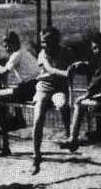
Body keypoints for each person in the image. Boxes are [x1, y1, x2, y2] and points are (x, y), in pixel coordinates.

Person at [0, 31, 41, 157]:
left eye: (8, 45)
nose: (7, 48)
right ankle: (3, 144)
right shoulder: (24, 52)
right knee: (1, 102)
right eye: (5, 46)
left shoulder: (17, 54)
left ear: (15, 43)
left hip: (30, 87)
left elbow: (3, 71)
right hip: (32, 86)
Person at [58, 33, 101, 153]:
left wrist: (86, 95)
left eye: (96, 47)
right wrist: (81, 64)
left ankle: (73, 139)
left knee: (79, 103)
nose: (93, 50)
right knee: (91, 101)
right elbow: (93, 67)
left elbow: (99, 79)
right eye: (93, 47)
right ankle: (98, 132)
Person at [31, 27, 76, 175]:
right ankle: (36, 156)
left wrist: (75, 68)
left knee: (63, 105)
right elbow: (49, 69)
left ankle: (70, 137)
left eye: (48, 41)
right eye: (43, 41)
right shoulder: (42, 54)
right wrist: (65, 73)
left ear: (55, 41)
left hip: (58, 89)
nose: (45, 45)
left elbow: (73, 67)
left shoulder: (66, 52)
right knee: (38, 119)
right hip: (44, 88)